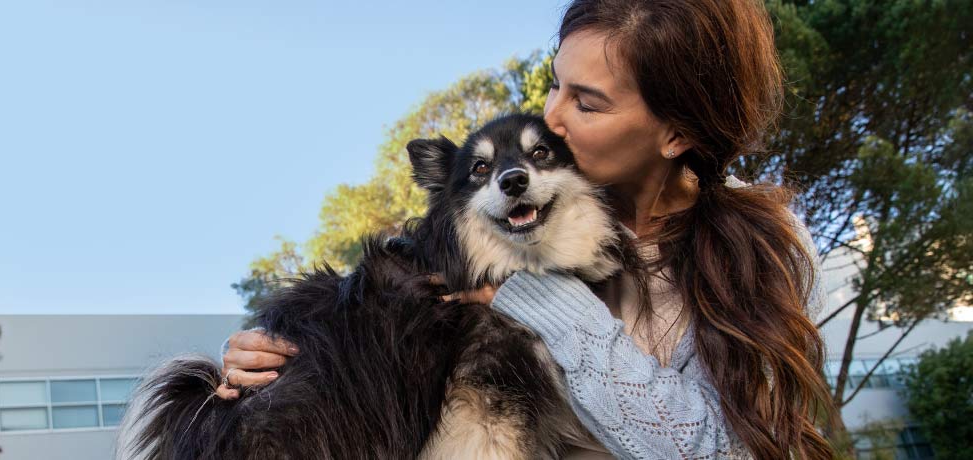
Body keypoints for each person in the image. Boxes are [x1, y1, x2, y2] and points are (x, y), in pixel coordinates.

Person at [217, 0, 836, 458]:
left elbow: (715, 449)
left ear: (676, 135)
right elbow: (379, 338)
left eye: (587, 103)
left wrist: (544, 302)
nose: (552, 119)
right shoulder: (505, 234)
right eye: (554, 84)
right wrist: (282, 363)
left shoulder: (764, 252)